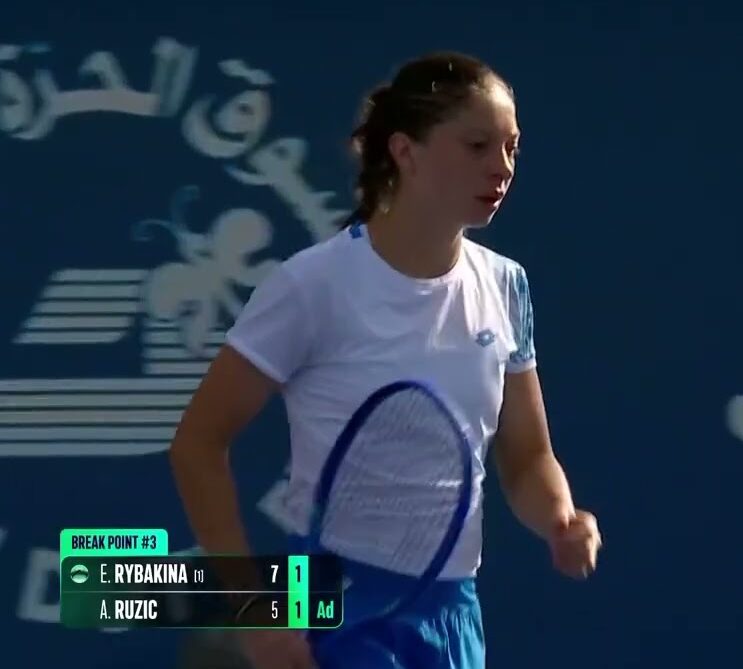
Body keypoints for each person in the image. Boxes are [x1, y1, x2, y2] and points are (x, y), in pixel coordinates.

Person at [168, 50, 602, 669]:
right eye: (477, 145)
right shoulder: (312, 285)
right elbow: (197, 444)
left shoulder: (507, 286)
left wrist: (561, 518)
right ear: (405, 151)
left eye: (511, 147)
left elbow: (528, 457)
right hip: (326, 601)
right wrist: (253, 613)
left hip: (452, 613)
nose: (500, 167)